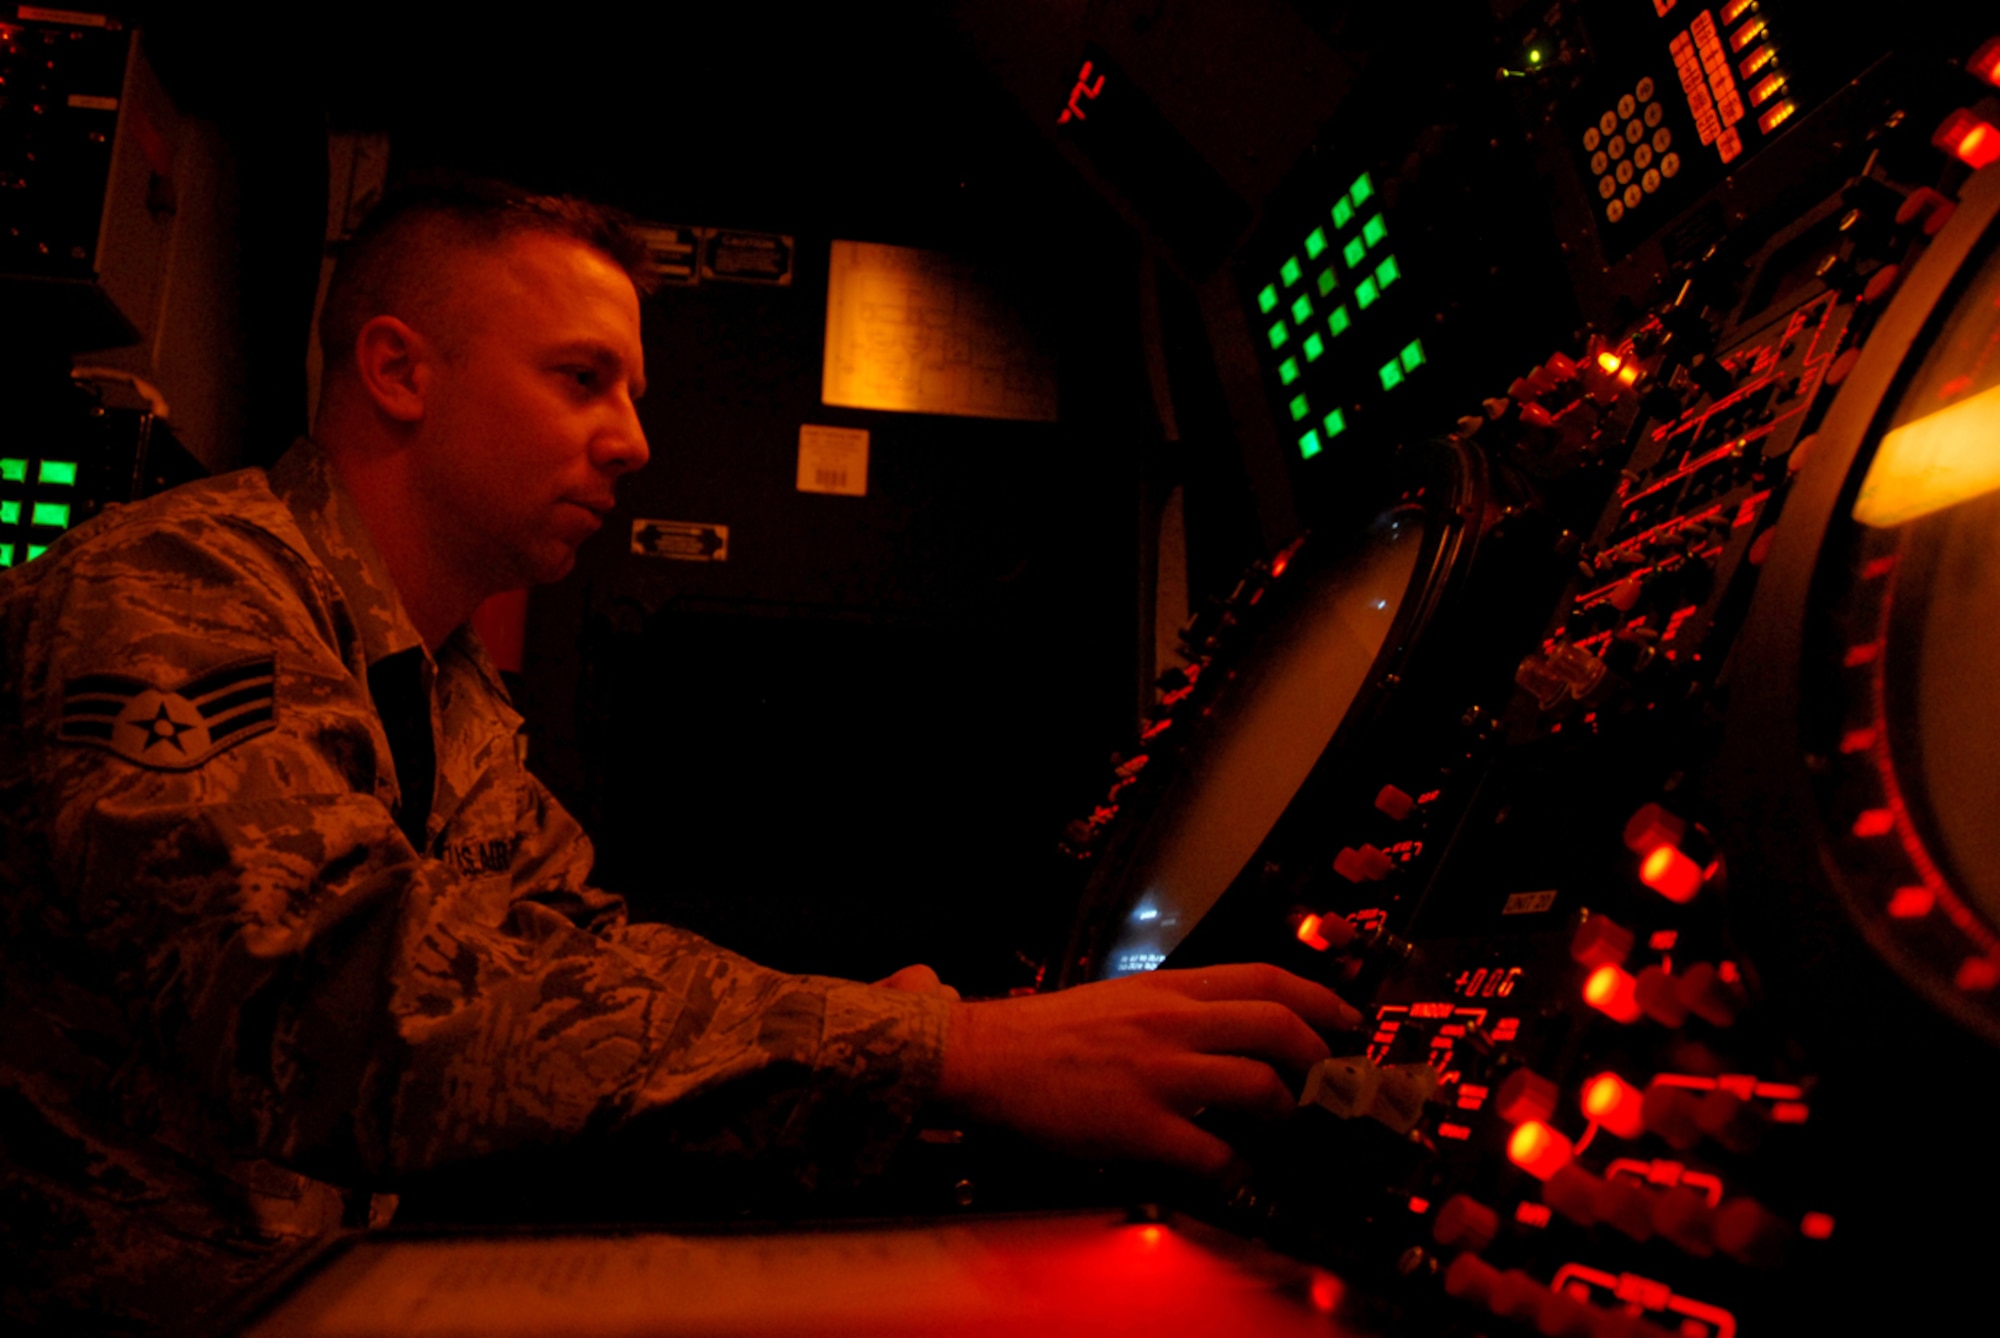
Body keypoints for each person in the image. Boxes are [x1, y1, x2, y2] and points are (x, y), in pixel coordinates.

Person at [0, 178, 1361, 1331]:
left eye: (632, 392)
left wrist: (937, 1081)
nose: (636, 441)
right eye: (582, 379)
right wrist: (938, 1050)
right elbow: (330, 1005)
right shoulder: (177, 587)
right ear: (399, 368)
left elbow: (585, 982)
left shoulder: (458, 704)